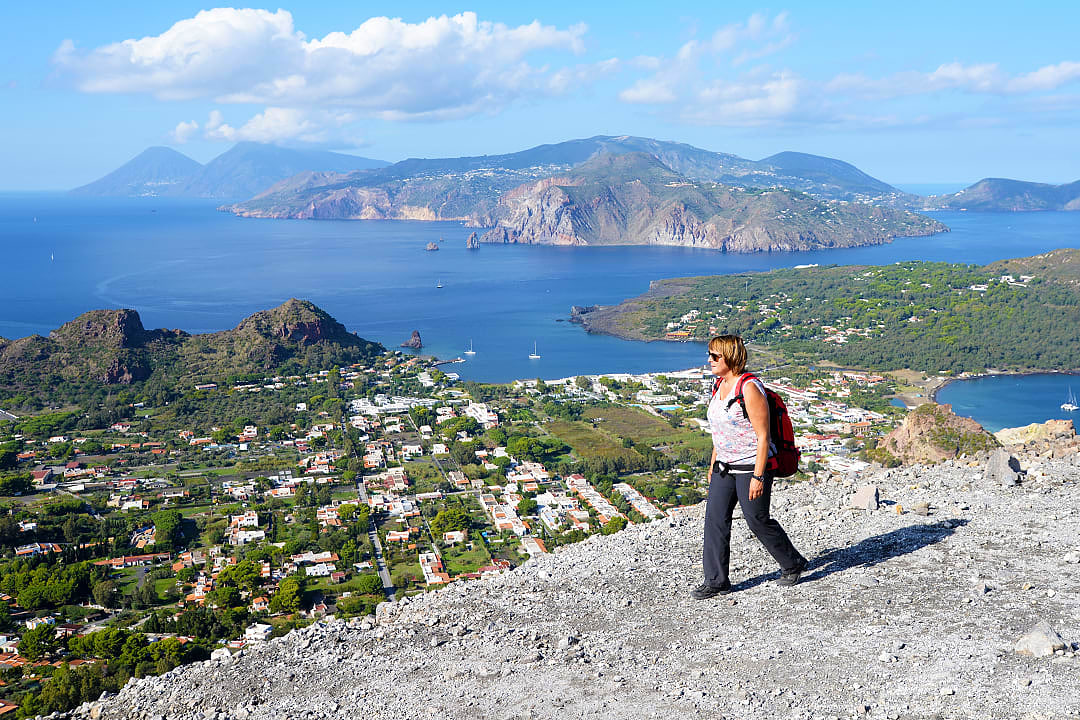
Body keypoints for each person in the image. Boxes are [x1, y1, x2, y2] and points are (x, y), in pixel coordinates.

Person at [692, 334, 807, 600]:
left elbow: (763, 436)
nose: (709, 360)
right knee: (715, 521)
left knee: (757, 520)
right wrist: (713, 464)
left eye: (715, 356)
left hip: (751, 466)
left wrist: (758, 476)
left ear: (730, 357)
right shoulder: (718, 386)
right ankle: (716, 581)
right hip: (724, 466)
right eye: (709, 355)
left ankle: (793, 563)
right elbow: (719, 431)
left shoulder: (749, 388)